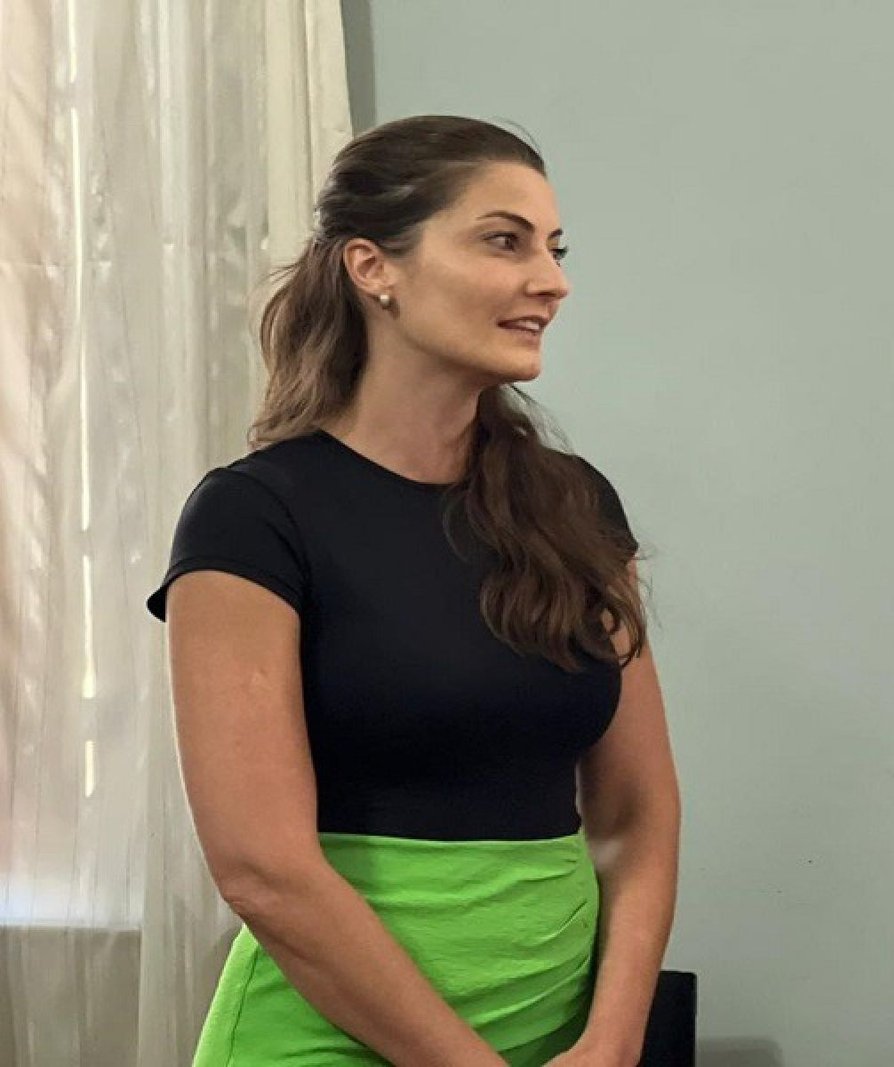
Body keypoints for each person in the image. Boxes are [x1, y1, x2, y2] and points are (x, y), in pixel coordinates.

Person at [148, 115, 680, 1065]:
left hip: (561, 1027)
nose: (551, 280)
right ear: (372, 267)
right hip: (329, 1037)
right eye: (504, 241)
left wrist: (613, 1037)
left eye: (554, 249)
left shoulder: (576, 505)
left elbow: (638, 814)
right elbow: (263, 869)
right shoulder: (252, 516)